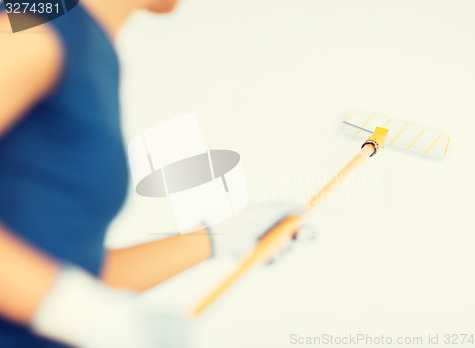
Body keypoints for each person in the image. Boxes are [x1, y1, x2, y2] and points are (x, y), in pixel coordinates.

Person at [0, 0, 301, 346]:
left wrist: (221, 237)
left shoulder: (89, 46)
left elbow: (65, 268)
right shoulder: (35, 24)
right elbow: (62, 296)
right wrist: (79, 312)